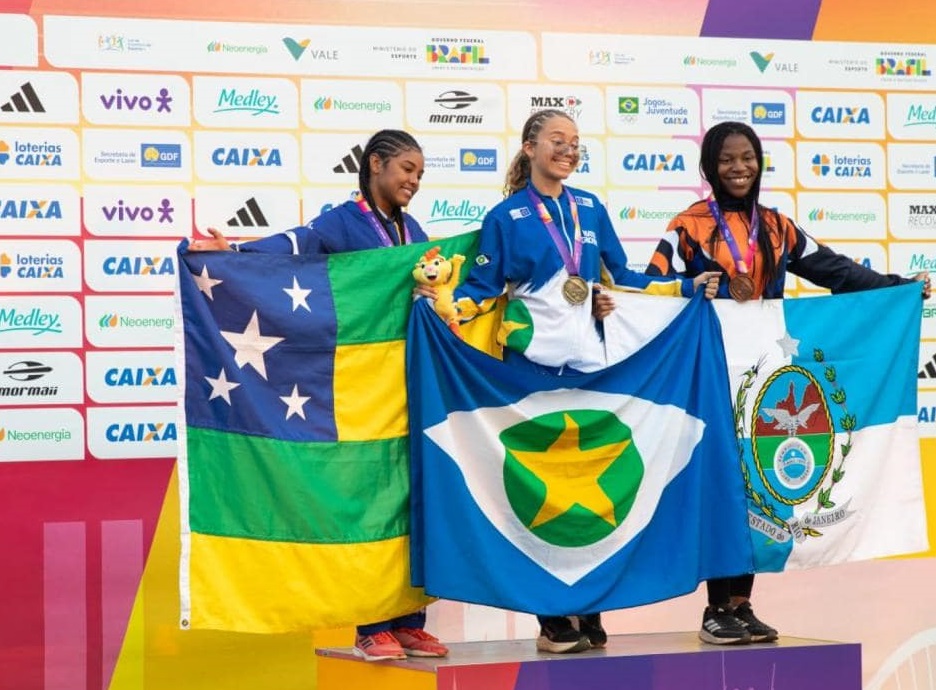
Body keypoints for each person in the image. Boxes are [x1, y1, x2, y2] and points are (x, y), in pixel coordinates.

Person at [638, 120, 932, 646]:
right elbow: (649, 285)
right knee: (724, 480)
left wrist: (898, 288)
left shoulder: (778, 226)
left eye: (748, 157)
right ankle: (713, 610)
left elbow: (837, 272)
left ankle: (741, 604)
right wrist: (687, 285)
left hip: (761, 374)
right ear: (709, 166)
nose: (739, 168)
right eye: (727, 159)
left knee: (753, 480)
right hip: (709, 371)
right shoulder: (688, 225)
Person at [448, 108, 719, 654]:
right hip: (529, 371)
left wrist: (687, 288)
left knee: (590, 494)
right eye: (556, 141)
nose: (568, 150)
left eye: (575, 142)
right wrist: (444, 310)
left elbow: (624, 276)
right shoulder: (507, 216)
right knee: (539, 495)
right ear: (529, 148)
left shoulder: (590, 207)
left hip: (591, 369)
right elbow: (480, 287)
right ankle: (551, 616)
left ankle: (587, 606)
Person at [189, 129, 449, 662]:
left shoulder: (414, 230)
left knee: (410, 501)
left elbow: (434, 286)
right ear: (375, 165)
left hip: (407, 387)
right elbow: (291, 248)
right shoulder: (342, 221)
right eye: (406, 169)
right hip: (359, 394)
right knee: (368, 503)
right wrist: (231, 252)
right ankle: (369, 624)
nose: (413, 182)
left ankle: (409, 618)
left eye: (420, 174)